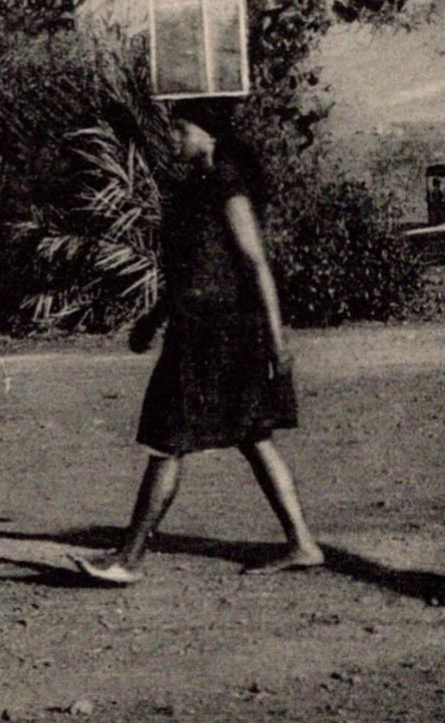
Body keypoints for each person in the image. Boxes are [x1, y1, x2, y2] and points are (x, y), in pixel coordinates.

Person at [74, 101, 323, 584]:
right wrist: (153, 319)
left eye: (181, 129)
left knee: (169, 441)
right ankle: (303, 544)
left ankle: (128, 558)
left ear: (207, 135)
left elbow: (254, 264)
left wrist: (277, 341)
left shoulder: (227, 185)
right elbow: (190, 271)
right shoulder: (196, 189)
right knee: (251, 436)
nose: (174, 138)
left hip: (222, 333)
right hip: (200, 329)